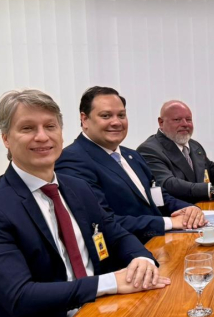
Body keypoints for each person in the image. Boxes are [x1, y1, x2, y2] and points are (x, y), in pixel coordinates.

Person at [0, 89, 170, 317]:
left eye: (50, 126)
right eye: (27, 128)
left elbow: (116, 234)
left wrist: (140, 258)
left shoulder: (76, 188)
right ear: (6, 139)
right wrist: (110, 283)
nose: (42, 137)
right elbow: (21, 297)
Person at [56, 86, 205, 243]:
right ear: (84, 119)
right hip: (130, 252)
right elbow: (103, 221)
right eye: (106, 116)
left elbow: (157, 196)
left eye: (121, 115)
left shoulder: (132, 155)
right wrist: (168, 222)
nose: (116, 122)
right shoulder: (72, 160)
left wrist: (189, 209)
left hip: (163, 242)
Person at [137, 100, 214, 203]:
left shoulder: (194, 145)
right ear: (161, 122)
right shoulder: (149, 150)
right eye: (177, 120)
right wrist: (212, 191)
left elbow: (212, 172)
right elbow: (168, 184)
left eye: (188, 119)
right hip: (177, 212)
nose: (185, 124)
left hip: (203, 207)